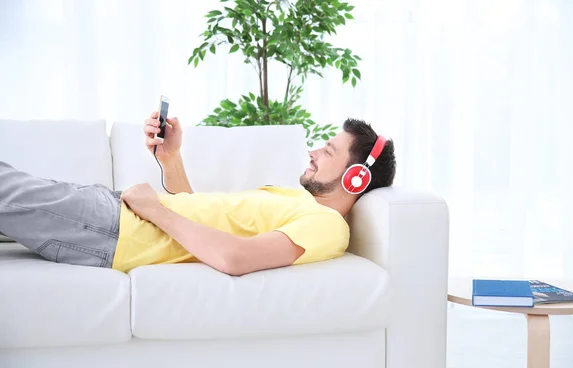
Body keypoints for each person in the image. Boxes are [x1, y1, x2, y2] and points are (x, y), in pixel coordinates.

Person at [0, 112, 396, 276]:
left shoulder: (326, 225)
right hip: (114, 213)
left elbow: (234, 257)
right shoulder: (294, 200)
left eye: (328, 152)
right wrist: (170, 159)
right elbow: (201, 219)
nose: (312, 151)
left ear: (357, 179)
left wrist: (154, 209)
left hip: (114, 229)